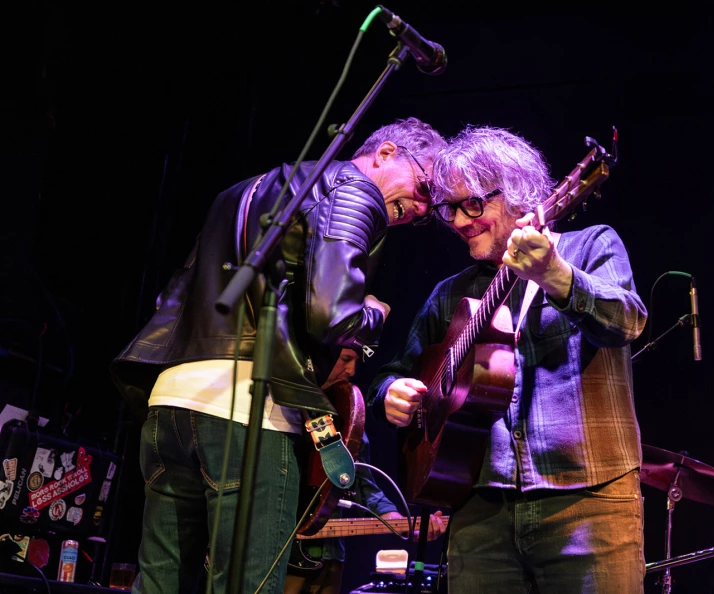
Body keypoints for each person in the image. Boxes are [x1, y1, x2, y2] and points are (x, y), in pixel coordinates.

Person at [109, 117, 447, 594]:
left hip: (169, 403)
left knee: (159, 586)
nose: (422, 207)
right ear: (386, 152)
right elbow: (331, 315)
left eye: (432, 205)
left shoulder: (243, 189)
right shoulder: (356, 189)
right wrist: (373, 313)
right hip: (250, 413)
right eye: (425, 186)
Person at [367, 125, 648, 593]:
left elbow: (628, 322)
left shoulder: (590, 246)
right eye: (449, 209)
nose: (458, 221)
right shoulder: (449, 294)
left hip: (587, 500)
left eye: (473, 204)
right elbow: (393, 374)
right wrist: (388, 395)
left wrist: (558, 278)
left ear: (518, 194)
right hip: (478, 511)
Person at [284, 348, 446, 594]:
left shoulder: (346, 416)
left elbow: (363, 485)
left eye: (356, 362)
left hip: (331, 555)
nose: (352, 370)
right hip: (284, 555)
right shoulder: (284, 406)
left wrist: (395, 519)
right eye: (345, 360)